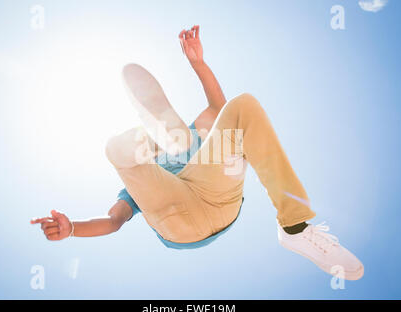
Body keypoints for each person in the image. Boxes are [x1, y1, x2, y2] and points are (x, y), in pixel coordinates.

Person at [31, 25, 364, 280]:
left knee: (241, 107)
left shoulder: (193, 136)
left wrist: (198, 63)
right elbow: (114, 221)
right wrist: (72, 227)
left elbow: (220, 107)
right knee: (118, 150)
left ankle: (295, 228)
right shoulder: (139, 182)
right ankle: (132, 147)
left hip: (217, 193)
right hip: (177, 217)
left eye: (158, 136)